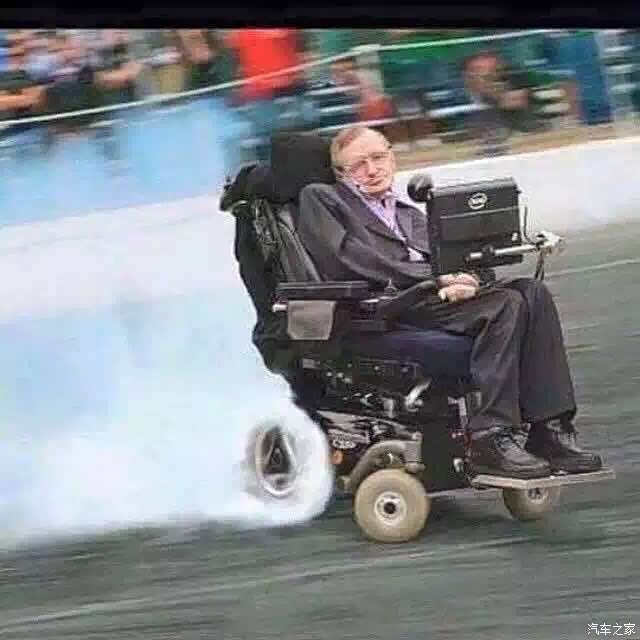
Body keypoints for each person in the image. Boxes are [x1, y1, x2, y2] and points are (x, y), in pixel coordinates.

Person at [297, 125, 603, 479]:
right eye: (358, 165)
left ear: (392, 157)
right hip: (386, 305)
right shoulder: (322, 199)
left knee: (533, 293)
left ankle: (549, 430)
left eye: (378, 157)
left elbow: (461, 258)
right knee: (506, 305)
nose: (372, 169)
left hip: (436, 299)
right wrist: (435, 280)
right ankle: (490, 435)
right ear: (340, 174)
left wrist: (470, 280)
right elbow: (350, 259)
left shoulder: (410, 214)